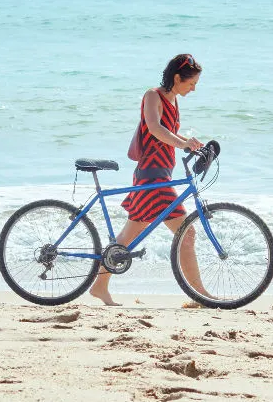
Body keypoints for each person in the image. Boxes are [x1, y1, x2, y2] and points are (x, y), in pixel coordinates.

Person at [89, 54, 208, 306]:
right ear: (177, 77)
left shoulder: (174, 100)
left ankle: (99, 286)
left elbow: (168, 133)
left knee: (127, 238)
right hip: (152, 176)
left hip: (160, 174)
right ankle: (199, 295)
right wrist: (183, 142)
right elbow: (155, 129)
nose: (194, 88)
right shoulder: (152, 95)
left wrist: (190, 143)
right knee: (187, 234)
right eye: (191, 83)